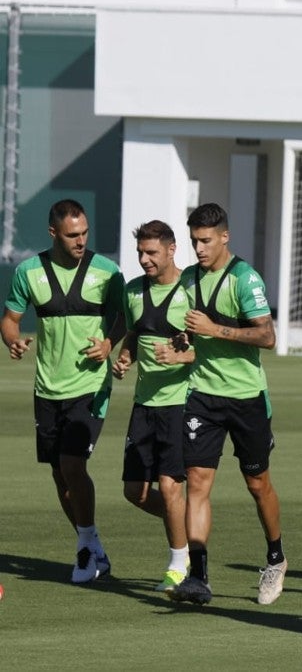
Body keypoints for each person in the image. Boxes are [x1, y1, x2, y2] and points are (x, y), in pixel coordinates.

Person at [168, 203, 286, 606]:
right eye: (194, 241)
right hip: (202, 395)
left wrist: (213, 330)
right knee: (197, 483)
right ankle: (198, 576)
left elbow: (267, 336)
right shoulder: (188, 278)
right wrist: (185, 340)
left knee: (258, 484)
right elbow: (192, 332)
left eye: (205, 241)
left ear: (224, 237)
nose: (198, 249)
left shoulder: (245, 279)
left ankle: (275, 557)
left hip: (247, 398)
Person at [3, 199, 126, 584]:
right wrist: (13, 340)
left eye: (85, 233)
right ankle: (92, 545)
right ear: (54, 232)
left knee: (74, 465)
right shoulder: (28, 271)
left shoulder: (107, 272)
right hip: (47, 387)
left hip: (91, 386)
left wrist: (109, 344)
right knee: (60, 474)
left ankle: (86, 550)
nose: (81, 240)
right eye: (73, 235)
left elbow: (122, 318)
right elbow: (10, 319)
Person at [109, 221, 194, 592]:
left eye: (152, 253)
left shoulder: (190, 291)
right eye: (141, 253)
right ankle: (190, 527)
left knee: (170, 485)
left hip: (180, 404)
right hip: (144, 404)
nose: (144, 260)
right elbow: (133, 332)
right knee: (134, 491)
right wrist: (124, 357)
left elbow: (206, 352)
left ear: (172, 250)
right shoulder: (132, 291)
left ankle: (179, 563)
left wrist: (181, 357)